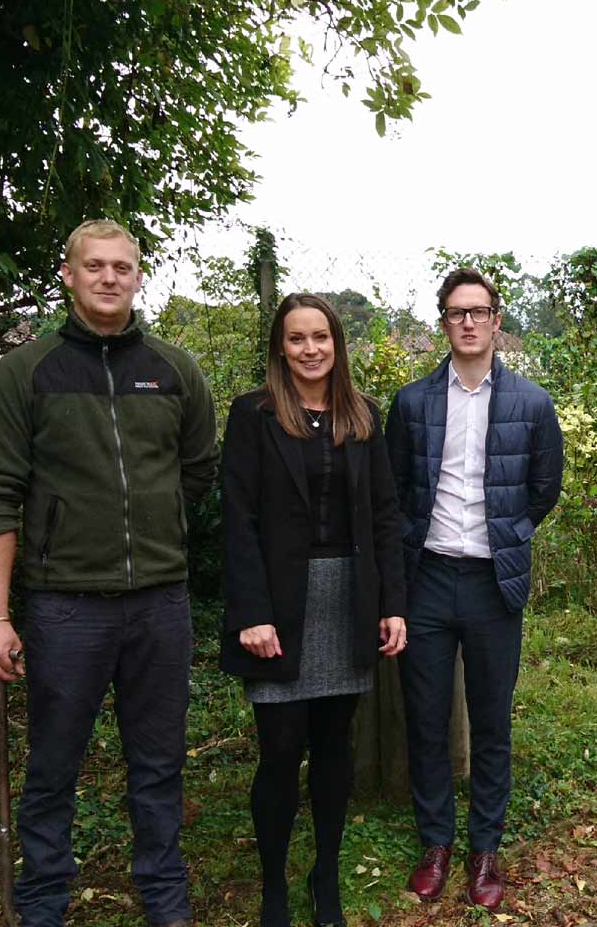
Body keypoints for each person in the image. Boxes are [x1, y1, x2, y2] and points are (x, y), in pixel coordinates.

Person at [0, 219, 218, 927]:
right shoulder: (27, 372)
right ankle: (44, 901)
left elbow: (199, 469)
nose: (110, 278)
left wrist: (157, 516)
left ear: (139, 276)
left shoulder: (174, 370)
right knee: (52, 767)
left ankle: (164, 894)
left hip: (160, 603)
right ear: (69, 275)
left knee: (159, 763)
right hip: (65, 607)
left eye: (123, 266)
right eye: (95, 266)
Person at [219, 293, 409, 927]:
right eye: (297, 338)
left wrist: (391, 605)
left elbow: (384, 517)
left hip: (347, 600)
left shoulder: (362, 415)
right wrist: (252, 611)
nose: (310, 349)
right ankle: (274, 884)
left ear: (337, 344)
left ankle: (325, 875)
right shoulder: (253, 416)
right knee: (279, 750)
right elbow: (238, 520)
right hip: (279, 606)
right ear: (280, 346)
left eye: (321, 337)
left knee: (333, 750)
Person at [386, 268, 564, 911]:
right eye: (456, 312)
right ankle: (435, 843)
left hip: (493, 583)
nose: (468, 322)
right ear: (444, 322)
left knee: (490, 723)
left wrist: (509, 534)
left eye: (479, 311)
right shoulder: (411, 404)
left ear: (495, 321)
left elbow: (543, 490)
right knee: (427, 721)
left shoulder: (531, 404)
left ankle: (485, 849)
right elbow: (397, 490)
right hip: (428, 580)